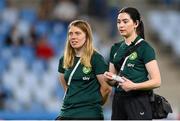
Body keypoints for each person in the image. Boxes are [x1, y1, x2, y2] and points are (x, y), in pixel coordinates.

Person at [104, 7, 161, 120]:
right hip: (118, 99)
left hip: (138, 99)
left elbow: (157, 81)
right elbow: (112, 80)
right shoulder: (115, 48)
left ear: (136, 23)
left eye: (125, 21)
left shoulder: (145, 48)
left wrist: (134, 86)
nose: (121, 25)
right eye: (118, 22)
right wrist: (108, 79)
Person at [57, 19, 112, 120]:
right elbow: (66, 88)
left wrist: (92, 104)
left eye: (78, 33)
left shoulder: (96, 58)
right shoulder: (64, 59)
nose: (73, 37)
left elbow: (106, 88)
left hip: (89, 114)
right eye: (70, 34)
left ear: (87, 36)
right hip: (66, 113)